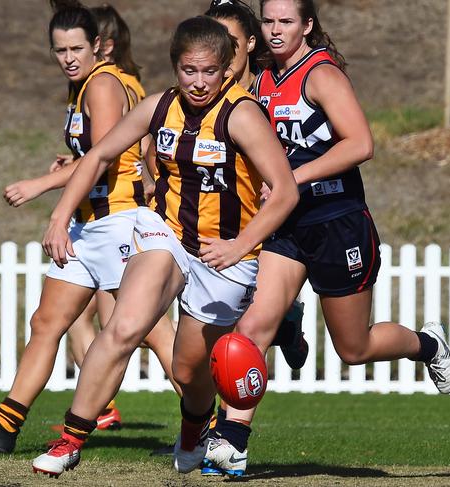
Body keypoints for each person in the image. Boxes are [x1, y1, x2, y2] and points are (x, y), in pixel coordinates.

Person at [30, 15, 299, 477]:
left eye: (209, 71)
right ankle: (71, 439)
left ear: (227, 67)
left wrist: (240, 245)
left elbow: (286, 190)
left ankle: (194, 430)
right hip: (168, 235)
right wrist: (58, 216)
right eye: (188, 71)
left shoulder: (242, 114)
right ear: (175, 67)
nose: (198, 82)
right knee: (124, 326)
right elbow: (97, 155)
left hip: (225, 256)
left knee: (190, 369)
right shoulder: (160, 107)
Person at [201, 0, 450, 478]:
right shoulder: (262, 77)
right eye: (270, 21)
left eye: (287, 21)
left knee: (352, 349)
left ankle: (426, 345)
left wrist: (292, 177)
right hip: (290, 225)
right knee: (251, 329)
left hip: (338, 224)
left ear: (307, 25)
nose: (276, 31)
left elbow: (361, 143)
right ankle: (231, 443)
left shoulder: (321, 74)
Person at [0, 2, 178, 454]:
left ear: (97, 48)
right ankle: (5, 427)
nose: (67, 57)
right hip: (91, 226)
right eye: (59, 49)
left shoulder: (103, 84)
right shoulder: (82, 86)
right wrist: (69, 171)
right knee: (47, 321)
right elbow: (99, 155)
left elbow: (103, 155)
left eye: (75, 48)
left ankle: (208, 429)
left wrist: (41, 186)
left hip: (119, 223)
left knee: (152, 331)